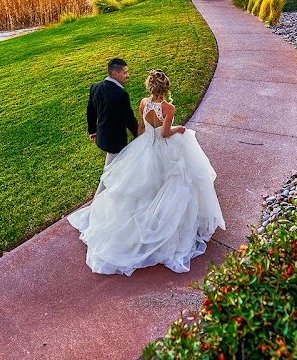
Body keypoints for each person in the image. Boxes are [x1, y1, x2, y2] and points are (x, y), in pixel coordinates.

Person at [69, 69, 225, 276]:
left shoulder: (144, 103)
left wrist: (142, 146)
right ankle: (161, 226)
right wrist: (179, 129)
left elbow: (141, 128)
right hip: (163, 148)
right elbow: (165, 133)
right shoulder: (168, 107)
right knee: (174, 181)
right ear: (166, 87)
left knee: (139, 185)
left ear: (150, 86)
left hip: (146, 145)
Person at [87, 58, 139, 195]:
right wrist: (139, 136)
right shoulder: (121, 94)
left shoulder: (95, 87)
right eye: (125, 72)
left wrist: (92, 131)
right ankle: (98, 200)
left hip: (102, 137)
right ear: (115, 74)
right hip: (115, 141)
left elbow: (90, 111)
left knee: (114, 167)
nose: (127, 75)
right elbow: (129, 119)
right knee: (111, 171)